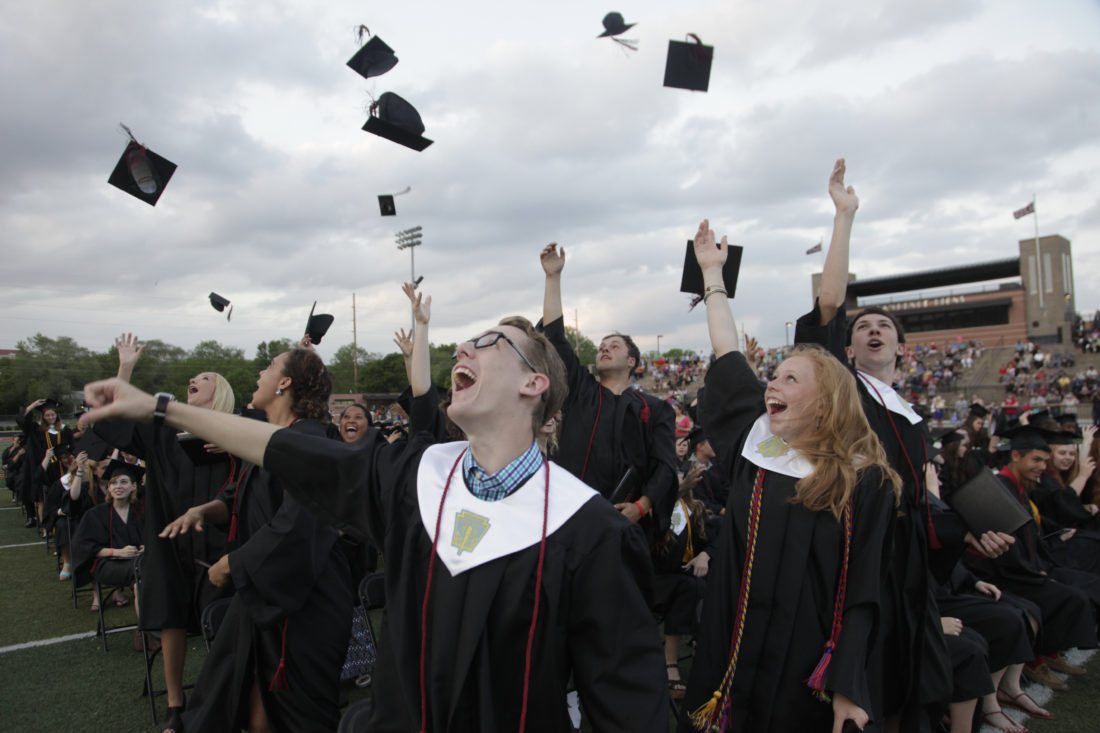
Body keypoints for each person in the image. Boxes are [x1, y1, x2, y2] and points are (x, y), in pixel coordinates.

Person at [82, 313, 668, 732]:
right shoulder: (416, 478)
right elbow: (285, 450)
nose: (464, 348)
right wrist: (159, 408)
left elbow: (628, 710)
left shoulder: (588, 533)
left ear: (533, 384)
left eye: (489, 342)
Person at [680, 219, 900, 732]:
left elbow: (864, 589)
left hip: (804, 660)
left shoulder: (865, 480)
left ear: (825, 402)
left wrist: (848, 684)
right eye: (773, 376)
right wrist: (712, 274)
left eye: (790, 378)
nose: (772, 385)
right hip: (730, 644)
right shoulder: (758, 444)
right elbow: (728, 352)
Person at [794, 159, 955, 730]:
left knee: (910, 671)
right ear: (849, 349)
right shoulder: (844, 387)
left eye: (884, 325)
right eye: (863, 327)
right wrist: (845, 217)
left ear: (900, 347)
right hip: (855, 544)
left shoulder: (911, 414)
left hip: (905, 553)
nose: (873, 329)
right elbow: (830, 304)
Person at [157, 347, 352, 733]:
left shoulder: (312, 442)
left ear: (285, 383)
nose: (260, 373)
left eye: (269, 366)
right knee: (258, 711)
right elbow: (241, 496)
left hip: (307, 603)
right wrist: (204, 510)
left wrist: (232, 563)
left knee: (299, 717)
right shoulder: (272, 439)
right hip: (267, 594)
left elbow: (296, 526)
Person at [85, 333, 240, 732]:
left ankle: (223, 695)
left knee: (227, 620)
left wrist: (231, 445)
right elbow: (114, 417)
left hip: (218, 544)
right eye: (193, 378)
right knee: (170, 616)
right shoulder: (163, 431)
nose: (193, 380)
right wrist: (125, 369)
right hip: (169, 540)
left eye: (204, 378)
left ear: (220, 392)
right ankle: (175, 704)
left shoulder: (236, 432)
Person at [540, 243, 679, 536]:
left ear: (631, 361)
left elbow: (665, 466)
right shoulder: (581, 391)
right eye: (602, 346)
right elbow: (555, 338)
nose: (604, 348)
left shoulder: (655, 409)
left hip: (627, 524)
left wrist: (642, 506)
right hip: (573, 518)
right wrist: (553, 278)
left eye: (614, 346)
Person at [71, 459, 145, 616]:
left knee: (144, 576)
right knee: (144, 571)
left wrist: (147, 547)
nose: (118, 486)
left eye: (124, 482)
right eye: (114, 483)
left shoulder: (142, 511)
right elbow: (84, 547)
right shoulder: (95, 515)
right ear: (109, 488)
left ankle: (148, 626)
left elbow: (155, 536)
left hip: (140, 560)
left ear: (133, 486)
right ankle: (149, 627)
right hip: (107, 564)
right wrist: (117, 552)